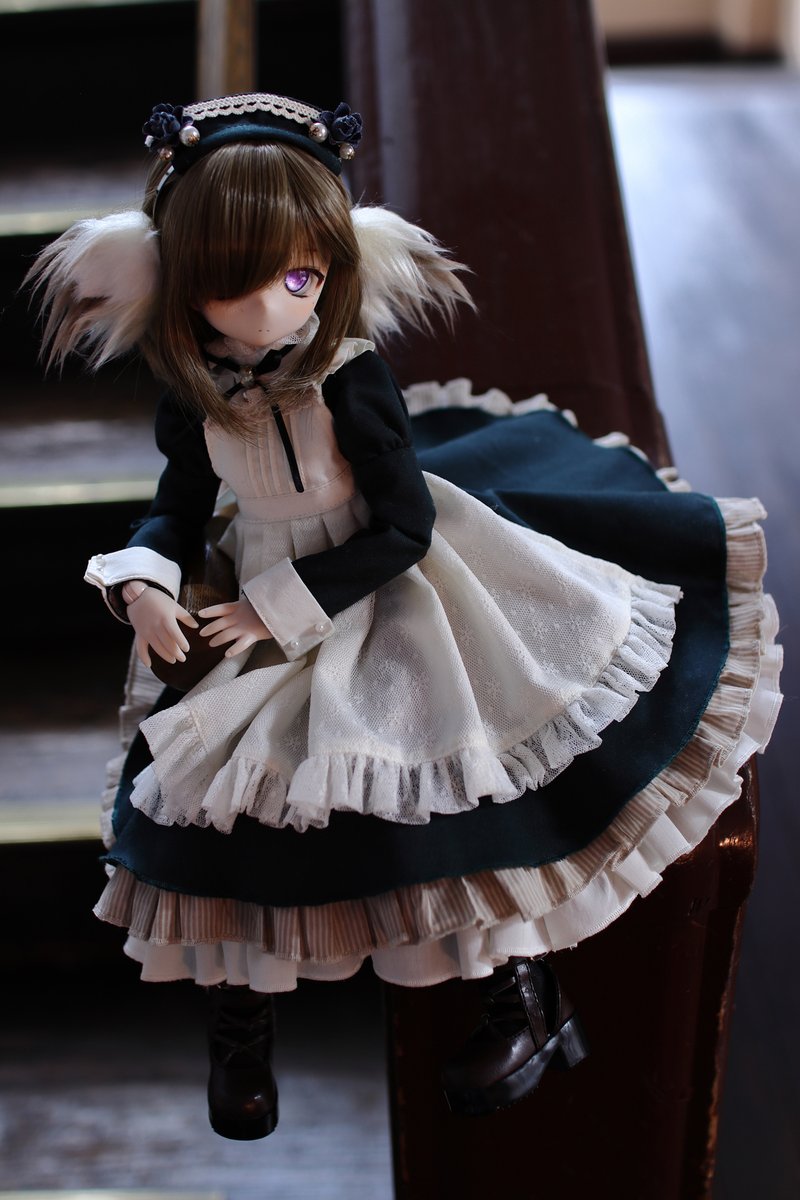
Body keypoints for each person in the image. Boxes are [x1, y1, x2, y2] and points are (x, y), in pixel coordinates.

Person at [29, 90, 781, 1140]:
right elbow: (177, 507)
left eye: (300, 278)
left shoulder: (349, 381)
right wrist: (145, 579)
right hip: (252, 590)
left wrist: (275, 608)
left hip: (383, 587)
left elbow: (405, 527)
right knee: (207, 807)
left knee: (454, 781)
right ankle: (240, 1025)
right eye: (230, 284)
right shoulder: (193, 400)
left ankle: (524, 999)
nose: (269, 311)